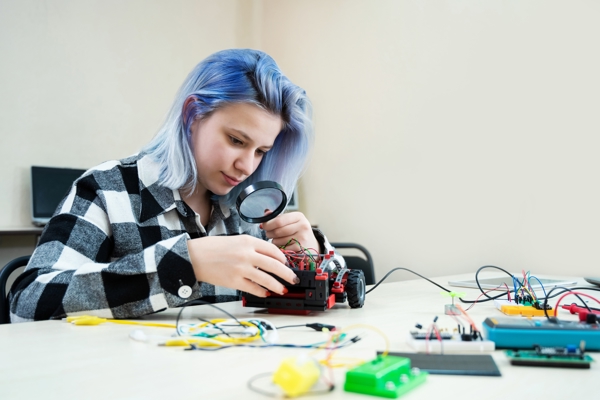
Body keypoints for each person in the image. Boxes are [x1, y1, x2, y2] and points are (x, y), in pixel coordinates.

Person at [9, 49, 342, 322]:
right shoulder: (108, 190)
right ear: (192, 115)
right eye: (236, 140)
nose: (247, 166)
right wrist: (185, 263)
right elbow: (28, 302)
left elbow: (340, 284)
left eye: (261, 151)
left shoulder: (250, 208)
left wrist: (313, 254)